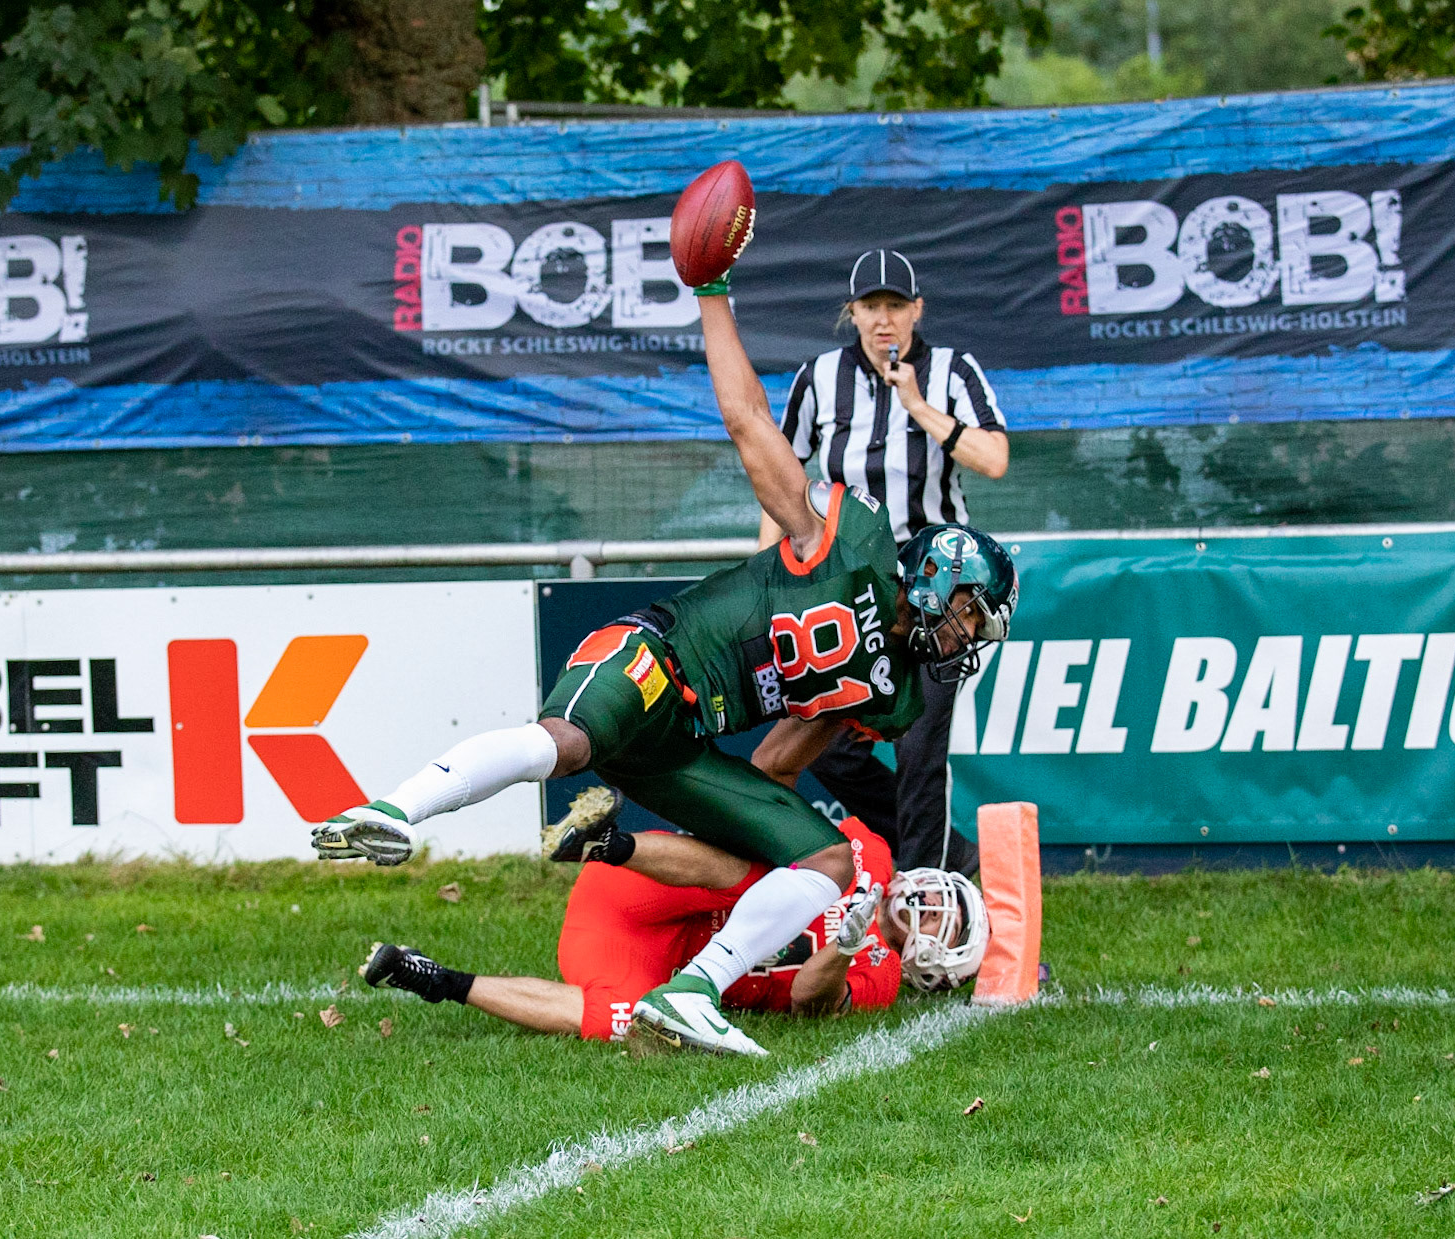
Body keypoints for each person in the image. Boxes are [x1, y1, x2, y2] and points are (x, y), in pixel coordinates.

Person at [310, 250, 1018, 1058]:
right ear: (934, 581)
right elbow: (750, 422)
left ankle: (692, 991)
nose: (967, 635)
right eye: (968, 614)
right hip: (658, 659)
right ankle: (392, 811)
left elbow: (780, 761)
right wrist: (713, 295)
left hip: (688, 741)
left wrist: (758, 860)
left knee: (825, 857)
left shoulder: (888, 693)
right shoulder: (848, 537)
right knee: (567, 743)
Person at [767, 249, 1011, 875]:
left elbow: (995, 459)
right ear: (851, 313)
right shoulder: (819, 376)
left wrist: (920, 406)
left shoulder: (952, 370)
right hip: (852, 587)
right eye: (871, 306)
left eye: (895, 306)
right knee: (826, 743)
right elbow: (782, 477)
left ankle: (931, 898)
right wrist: (771, 573)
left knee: (922, 745)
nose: (884, 320)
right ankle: (945, 855)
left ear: (916, 311)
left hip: (940, 590)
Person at [356, 802, 991, 1041]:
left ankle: (436, 978)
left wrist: (846, 946)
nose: (932, 903)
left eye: (946, 922)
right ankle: (604, 843)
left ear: (933, 965)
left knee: (625, 1023)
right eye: (945, 896)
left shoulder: (879, 978)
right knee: (754, 875)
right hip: (648, 889)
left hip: (642, 960)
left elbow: (807, 999)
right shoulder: (869, 853)